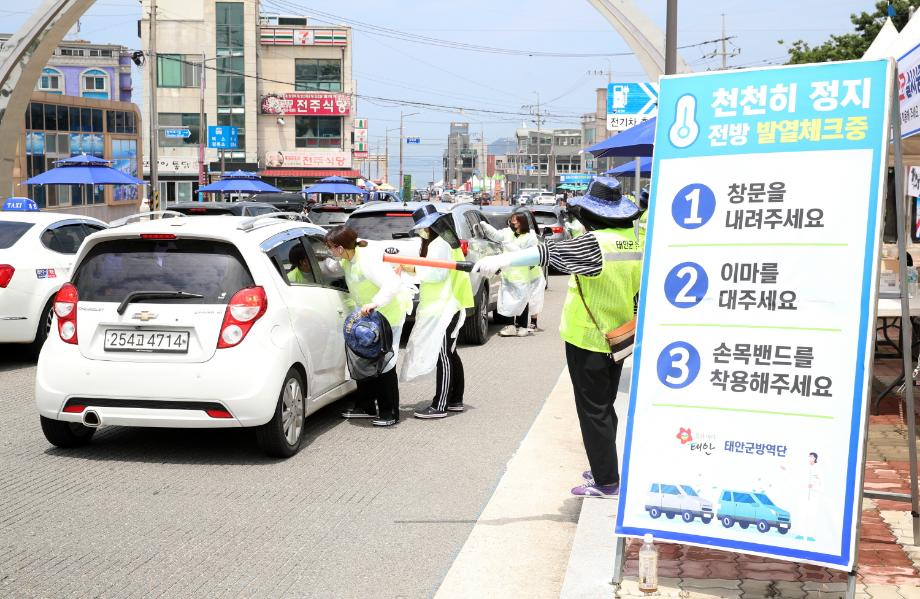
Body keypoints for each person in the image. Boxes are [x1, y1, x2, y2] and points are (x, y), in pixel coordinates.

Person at [472, 177, 643, 498]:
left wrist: (503, 259)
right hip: (619, 336)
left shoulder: (596, 244)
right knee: (604, 406)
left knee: (593, 410)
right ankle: (604, 465)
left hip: (589, 338)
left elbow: (546, 252)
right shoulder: (632, 242)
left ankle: (606, 481)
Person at [324, 226, 412, 427]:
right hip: (369, 319)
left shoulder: (367, 260)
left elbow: (392, 284)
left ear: (339, 248)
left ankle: (390, 412)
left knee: (384, 362)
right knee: (366, 359)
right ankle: (366, 406)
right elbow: (331, 267)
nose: (330, 252)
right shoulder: (348, 258)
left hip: (387, 316)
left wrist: (375, 303)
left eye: (330, 248)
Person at [400, 204, 475, 419]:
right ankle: (455, 400)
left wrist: (413, 269)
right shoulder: (441, 242)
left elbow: (437, 275)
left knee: (443, 355)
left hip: (444, 306)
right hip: (442, 305)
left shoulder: (440, 245)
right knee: (450, 354)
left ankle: (440, 405)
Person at [479, 210, 544, 337]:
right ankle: (510, 326)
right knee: (507, 301)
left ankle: (523, 326)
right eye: (512, 219)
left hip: (522, 275)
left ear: (521, 222)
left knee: (522, 301)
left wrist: (509, 246)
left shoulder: (530, 236)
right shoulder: (507, 233)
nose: (512, 221)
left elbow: (528, 254)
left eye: (515, 219)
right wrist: (484, 225)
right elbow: (496, 235)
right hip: (508, 273)